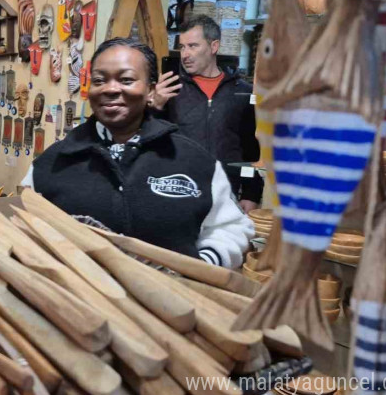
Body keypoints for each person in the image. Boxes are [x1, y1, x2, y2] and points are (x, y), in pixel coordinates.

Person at [22, 38, 253, 268]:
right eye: (99, 80)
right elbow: (23, 228)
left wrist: (202, 266)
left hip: (174, 300)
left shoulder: (192, 161)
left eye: (126, 79)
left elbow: (231, 227)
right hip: (75, 300)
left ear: (151, 91)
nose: (111, 89)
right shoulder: (51, 165)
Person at [158, 15, 263, 213]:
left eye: (193, 46)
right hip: (178, 195)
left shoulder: (243, 92)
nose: (185, 54)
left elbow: (251, 149)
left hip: (226, 197)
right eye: (182, 47)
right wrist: (154, 106)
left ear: (214, 46)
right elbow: (152, 141)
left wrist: (251, 193)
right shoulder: (170, 90)